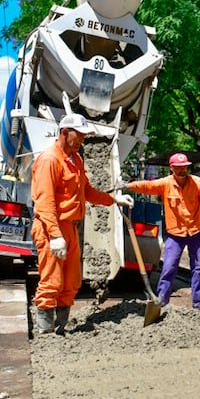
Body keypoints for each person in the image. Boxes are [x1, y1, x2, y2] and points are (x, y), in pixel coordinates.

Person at [31, 113, 134, 335]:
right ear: (64, 132)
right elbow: (45, 200)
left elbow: (86, 191)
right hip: (52, 228)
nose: (82, 140)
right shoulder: (49, 160)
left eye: (84, 136)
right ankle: (46, 332)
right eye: (79, 135)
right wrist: (55, 234)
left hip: (70, 227)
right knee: (52, 280)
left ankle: (61, 327)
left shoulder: (76, 160)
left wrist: (114, 199)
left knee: (71, 281)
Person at [121, 152, 200, 310]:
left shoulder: (197, 183)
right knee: (169, 267)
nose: (182, 171)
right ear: (172, 168)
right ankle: (162, 302)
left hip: (197, 231)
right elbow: (147, 186)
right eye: (179, 168)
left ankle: (198, 303)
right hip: (175, 234)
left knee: (198, 268)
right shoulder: (165, 184)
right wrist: (128, 186)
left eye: (185, 167)